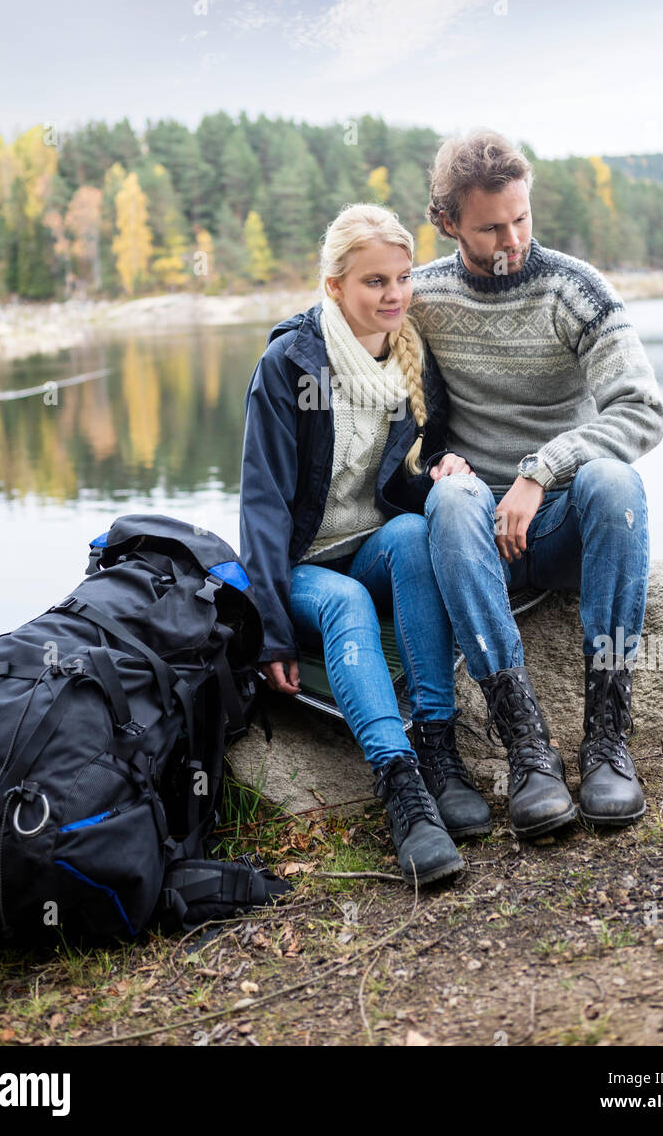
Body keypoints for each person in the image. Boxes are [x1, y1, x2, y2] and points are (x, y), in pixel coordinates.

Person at [409, 131, 663, 838]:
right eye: (492, 226)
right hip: (476, 539)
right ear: (448, 221)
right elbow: (359, 359)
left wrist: (541, 469)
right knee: (452, 496)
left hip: (561, 528)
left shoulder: (574, 288)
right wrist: (427, 459)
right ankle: (528, 749)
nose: (513, 238)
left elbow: (642, 410)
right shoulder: (424, 297)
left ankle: (608, 740)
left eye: (522, 218)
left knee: (615, 482)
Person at [238, 203, 493, 887]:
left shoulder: (412, 360)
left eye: (403, 278)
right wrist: (269, 633)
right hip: (301, 568)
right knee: (347, 597)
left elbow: (405, 479)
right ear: (334, 287)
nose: (394, 295)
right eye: (374, 282)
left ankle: (439, 750)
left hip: (372, 543)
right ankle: (401, 788)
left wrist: (441, 468)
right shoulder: (290, 364)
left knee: (414, 534)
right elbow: (261, 506)